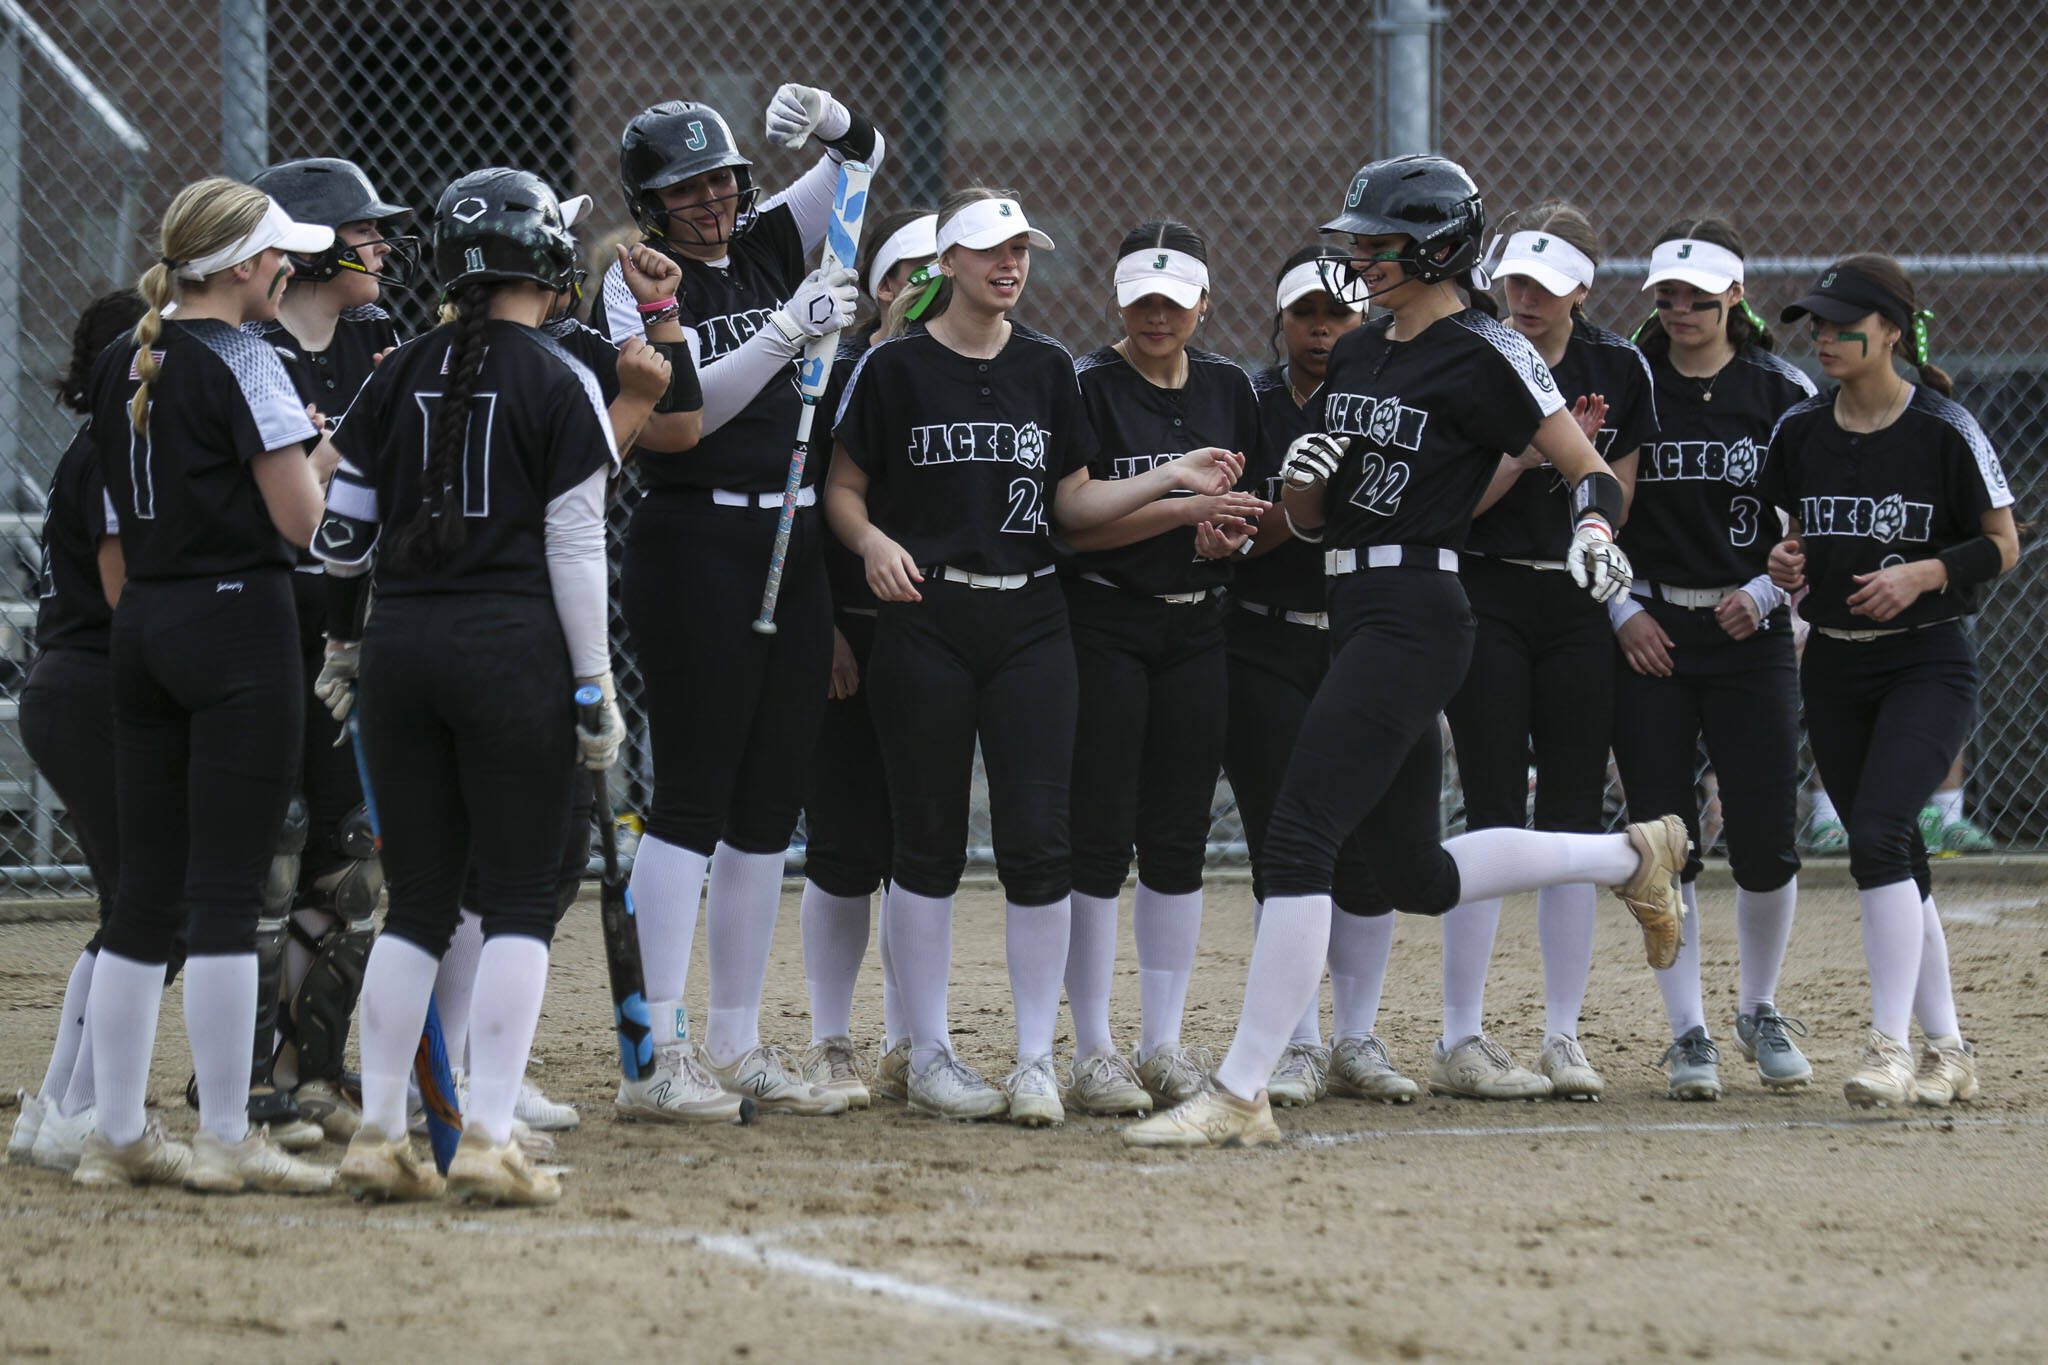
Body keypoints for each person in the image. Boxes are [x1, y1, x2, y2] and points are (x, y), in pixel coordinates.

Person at [1122, 155, 1687, 1150]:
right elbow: (1309, 523)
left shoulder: (1485, 348)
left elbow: (1587, 470)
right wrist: (1299, 489)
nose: (1360, 260)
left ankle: (1242, 1088)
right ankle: (1629, 853)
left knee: (1298, 836)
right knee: (1410, 872)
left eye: (1380, 244)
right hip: (1353, 602)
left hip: (1419, 609)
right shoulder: (1355, 353)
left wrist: (1595, 532)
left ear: (1435, 248)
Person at [824, 187, 1246, 1127]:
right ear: (948, 266)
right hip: (927, 619)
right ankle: (927, 1050)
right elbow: (842, 489)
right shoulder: (895, 369)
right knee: (925, 842)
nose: (1008, 265)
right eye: (987, 251)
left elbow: (1073, 507)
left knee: (1039, 843)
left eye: (1019, 250)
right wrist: (871, 545)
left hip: (1031, 623)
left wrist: (1171, 479)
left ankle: (1031, 1058)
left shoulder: (1048, 367)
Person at [315, 168, 630, 1204]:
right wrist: (595, 688)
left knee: (417, 905)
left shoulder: (394, 369)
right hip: (512, 652)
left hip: (400, 651)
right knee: (518, 903)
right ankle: (489, 1134)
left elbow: (339, 540)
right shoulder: (559, 375)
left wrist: (343, 644)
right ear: (543, 263)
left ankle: (377, 1134)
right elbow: (574, 545)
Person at [597, 88, 880, 1119]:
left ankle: (735, 1037)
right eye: (685, 189)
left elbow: (860, 164)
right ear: (650, 204)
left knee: (768, 803)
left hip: (794, 533)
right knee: (693, 794)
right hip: (696, 539)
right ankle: (651, 1049)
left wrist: (835, 122)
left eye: (720, 179)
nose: (710, 201)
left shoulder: (764, 240)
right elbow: (679, 418)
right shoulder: (636, 285)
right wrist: (782, 334)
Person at [74, 178, 339, 1193]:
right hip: (237, 627)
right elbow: (303, 522)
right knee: (227, 892)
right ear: (236, 266)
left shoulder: (121, 356)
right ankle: (228, 1132)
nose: (290, 270)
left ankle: (116, 1133)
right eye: (278, 256)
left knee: (146, 894)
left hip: (145, 625)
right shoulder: (244, 355)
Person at [1763, 255, 2017, 1108]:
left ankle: (1890, 1046)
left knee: (1876, 832)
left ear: (1893, 334)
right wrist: (1785, 558)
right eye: (1818, 325)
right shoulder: (1799, 429)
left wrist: (1923, 574)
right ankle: (1949, 1049)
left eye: (1845, 326)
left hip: (1925, 660)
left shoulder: (1943, 426)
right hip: (1835, 662)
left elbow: (2002, 544)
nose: (1826, 339)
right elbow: (1791, 539)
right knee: (1897, 852)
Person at [1434, 205, 1657, 1102]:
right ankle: (1464, 1031)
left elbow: (1622, 504)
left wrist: (1588, 469)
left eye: (1540, 285)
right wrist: (1536, 455)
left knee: (1570, 813)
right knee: (1489, 802)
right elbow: (1455, 505)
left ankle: (1563, 1032)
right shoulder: (1475, 351)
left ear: (1580, 289)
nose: (1520, 298)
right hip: (1485, 590)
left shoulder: (1618, 366)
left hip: (1575, 601)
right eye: (1511, 281)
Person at [1060, 219, 1267, 1116]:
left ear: (1204, 305)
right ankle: (1095, 1048)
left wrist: (1224, 535)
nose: (1157, 317)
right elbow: (1075, 525)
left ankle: (1162, 1041)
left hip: (1197, 627)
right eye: (1142, 301)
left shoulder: (1227, 387)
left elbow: (1237, 514)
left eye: (1174, 303)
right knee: (1100, 835)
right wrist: (1184, 509)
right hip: (1105, 621)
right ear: (1119, 302)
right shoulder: (1089, 387)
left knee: (1179, 837)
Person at [1611, 218, 1817, 1099]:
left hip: (1748, 631)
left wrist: (1768, 595)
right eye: (1667, 294)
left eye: (1699, 294)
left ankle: (1759, 1006)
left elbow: (1817, 515)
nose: (1681, 308)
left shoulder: (1780, 388)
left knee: (1767, 838)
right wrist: (1623, 610)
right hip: (1651, 632)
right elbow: (1589, 510)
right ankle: (1688, 1029)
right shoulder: (1632, 380)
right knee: (1664, 840)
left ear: (1737, 295)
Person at [241, 156, 415, 1143]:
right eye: (361, 230)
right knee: (277, 854)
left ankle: (316, 1066)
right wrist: (354, 429)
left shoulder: (376, 339)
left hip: (357, 623)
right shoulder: (250, 352)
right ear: (307, 248)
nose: (380, 246)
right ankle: (254, 1073)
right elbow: (290, 504)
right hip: (274, 619)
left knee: (354, 864)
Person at [1230, 245, 1418, 1110]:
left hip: (1365, 639)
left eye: (1338, 315)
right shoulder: (1251, 403)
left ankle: (1357, 1034)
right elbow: (1232, 536)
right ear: (1281, 322)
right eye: (1306, 314)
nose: (1321, 330)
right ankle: (1299, 1040)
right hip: (1269, 640)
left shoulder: (1391, 398)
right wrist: (1300, 503)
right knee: (1287, 836)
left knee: (1373, 842)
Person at [799, 207, 937, 1107]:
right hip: (848, 629)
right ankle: (830, 1036)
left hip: (934, 636)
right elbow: (804, 512)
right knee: (846, 845)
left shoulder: (972, 373)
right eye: (914, 274)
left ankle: (907, 1039)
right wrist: (830, 630)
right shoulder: (833, 378)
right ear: (882, 289)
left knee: (918, 844)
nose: (932, 289)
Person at [7, 291, 146, 1172]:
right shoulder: (110, 447)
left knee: (129, 910)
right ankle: (76, 1107)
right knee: (147, 913)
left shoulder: (106, 444)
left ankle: (56, 1107)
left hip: (80, 687)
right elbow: (123, 584)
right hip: (91, 687)